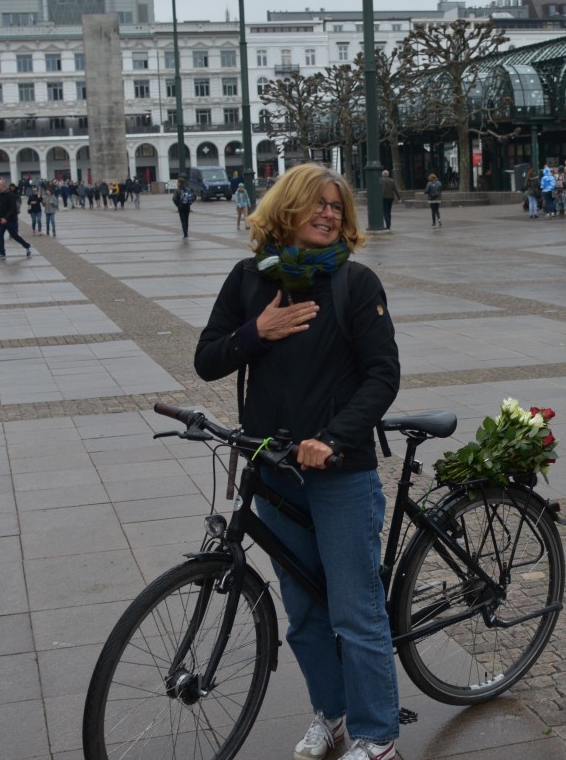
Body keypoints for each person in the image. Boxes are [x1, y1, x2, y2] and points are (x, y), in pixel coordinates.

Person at [194, 163, 402, 760]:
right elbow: (208, 359)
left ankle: (377, 736)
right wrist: (256, 332)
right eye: (318, 204)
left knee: (355, 609)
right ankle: (333, 716)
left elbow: (382, 375)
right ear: (287, 208)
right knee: (304, 612)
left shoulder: (355, 285)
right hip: (275, 470)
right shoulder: (248, 280)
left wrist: (333, 437)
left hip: (338, 470)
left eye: (338, 206)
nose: (330, 214)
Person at [0, 178, 32, 257]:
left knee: (15, 236)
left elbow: (13, 209)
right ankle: (2, 253)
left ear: (2, 186)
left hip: (10, 220)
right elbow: (0, 207)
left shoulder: (10, 195)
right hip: (0, 220)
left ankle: (27, 246)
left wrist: (6, 218)